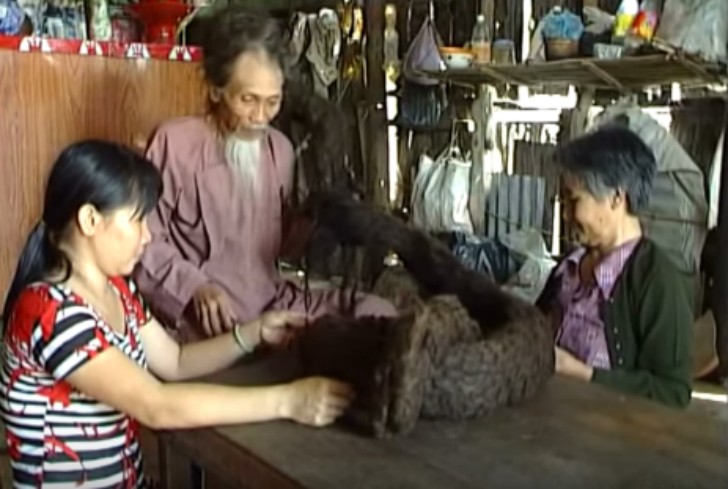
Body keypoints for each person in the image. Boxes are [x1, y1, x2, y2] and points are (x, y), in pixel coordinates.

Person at [0, 141, 354, 488]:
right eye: (137, 220)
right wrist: (289, 400)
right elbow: (156, 406)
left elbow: (175, 361)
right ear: (90, 219)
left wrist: (254, 333)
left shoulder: (118, 291)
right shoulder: (46, 310)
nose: (148, 236)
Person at [133, 7, 396, 341]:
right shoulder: (176, 143)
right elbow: (144, 241)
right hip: (204, 316)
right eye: (248, 100)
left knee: (380, 314)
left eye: (272, 102)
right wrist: (195, 288)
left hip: (271, 302)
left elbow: (277, 251)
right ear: (216, 90)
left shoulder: (281, 151)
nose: (261, 117)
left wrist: (314, 221)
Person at [537, 126, 694, 408]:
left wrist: (583, 374)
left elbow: (673, 393)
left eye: (574, 200)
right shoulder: (568, 270)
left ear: (616, 198)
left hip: (607, 440)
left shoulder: (657, 281)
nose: (565, 213)